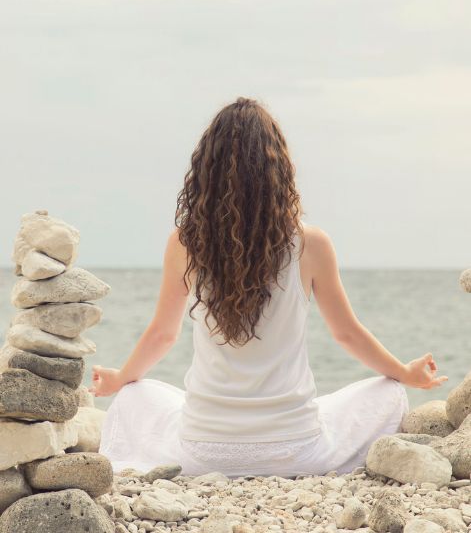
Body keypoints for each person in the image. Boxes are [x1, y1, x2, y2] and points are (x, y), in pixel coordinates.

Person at [91, 96, 448, 478]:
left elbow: (163, 335)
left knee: (134, 394)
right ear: (279, 169)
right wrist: (404, 372)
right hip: (295, 450)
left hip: (203, 453)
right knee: (390, 392)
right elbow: (347, 334)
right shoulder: (311, 243)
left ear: (206, 172)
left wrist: (119, 378)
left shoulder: (185, 243)